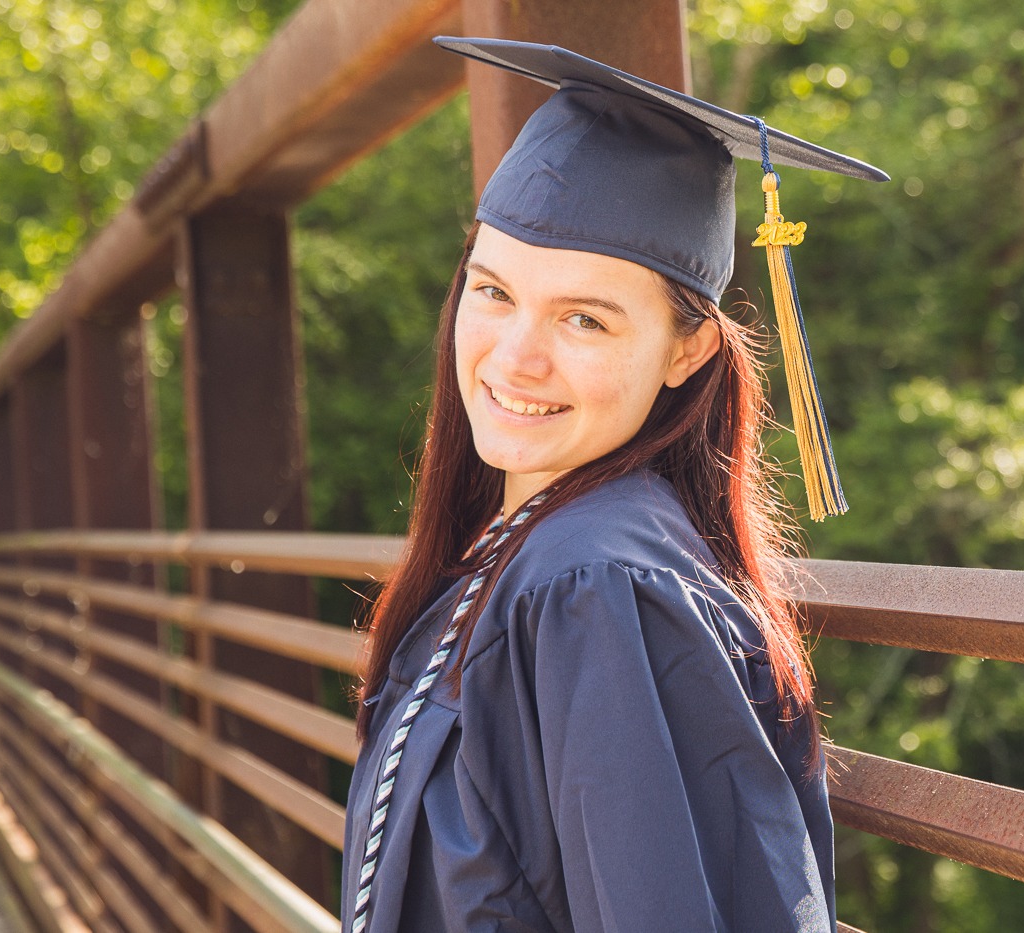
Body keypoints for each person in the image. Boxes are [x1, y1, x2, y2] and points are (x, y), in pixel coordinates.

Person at [340, 38, 886, 933]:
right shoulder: (523, 550)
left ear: (687, 350)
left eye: (584, 318)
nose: (516, 357)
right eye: (493, 293)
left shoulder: (594, 584)